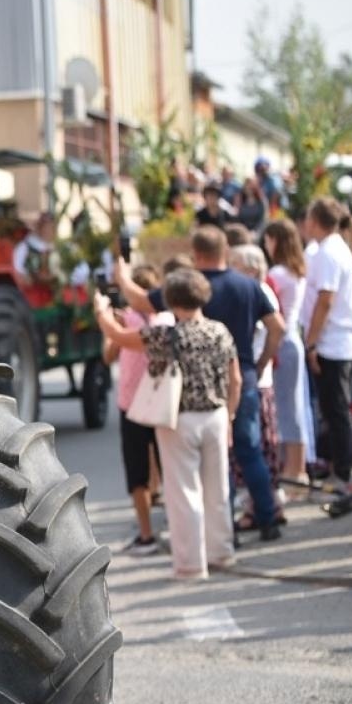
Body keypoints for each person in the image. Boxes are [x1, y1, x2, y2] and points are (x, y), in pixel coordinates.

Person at [116, 226, 286, 541]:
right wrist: (261, 362)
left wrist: (121, 273)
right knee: (249, 451)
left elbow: (139, 302)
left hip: (201, 385)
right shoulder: (250, 285)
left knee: (214, 462)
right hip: (243, 378)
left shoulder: (190, 288)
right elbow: (278, 326)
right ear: (225, 251)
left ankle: (225, 531)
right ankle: (268, 517)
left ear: (197, 254)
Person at [96, 269, 240, 580]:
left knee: (183, 492)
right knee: (218, 489)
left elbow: (119, 338)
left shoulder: (167, 335)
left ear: (172, 301)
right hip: (215, 415)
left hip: (180, 419)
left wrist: (101, 312)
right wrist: (229, 415)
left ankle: (190, 563)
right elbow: (235, 379)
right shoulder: (220, 331)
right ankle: (222, 552)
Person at [301, 197, 352, 513]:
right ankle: (341, 469)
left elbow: (324, 301)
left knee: (337, 411)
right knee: (335, 409)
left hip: (333, 344)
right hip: (337, 341)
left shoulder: (328, 252)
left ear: (316, 221)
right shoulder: (333, 248)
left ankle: (344, 475)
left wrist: (311, 343)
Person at [106, 264, 171, 556]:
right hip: (162, 403)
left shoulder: (127, 320)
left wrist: (109, 324)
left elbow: (108, 356)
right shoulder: (167, 319)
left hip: (131, 405)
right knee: (169, 468)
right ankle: (177, 527)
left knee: (138, 474)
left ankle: (146, 534)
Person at [229, 244, 285, 527]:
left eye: (235, 265)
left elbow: (277, 328)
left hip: (257, 382)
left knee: (257, 449)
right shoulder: (253, 291)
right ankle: (261, 506)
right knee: (254, 450)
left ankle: (268, 507)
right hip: (255, 379)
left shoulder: (258, 292)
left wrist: (262, 361)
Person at [263, 219, 313, 493]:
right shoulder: (295, 271)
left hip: (282, 341)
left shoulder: (278, 274)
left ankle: (295, 471)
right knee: (293, 406)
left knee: (287, 408)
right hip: (292, 339)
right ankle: (297, 468)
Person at [13, 213, 58, 307]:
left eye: (51, 228)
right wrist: (29, 278)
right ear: (39, 228)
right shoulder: (24, 247)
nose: (48, 231)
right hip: (31, 296)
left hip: (52, 295)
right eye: (45, 228)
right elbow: (16, 272)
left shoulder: (56, 249)